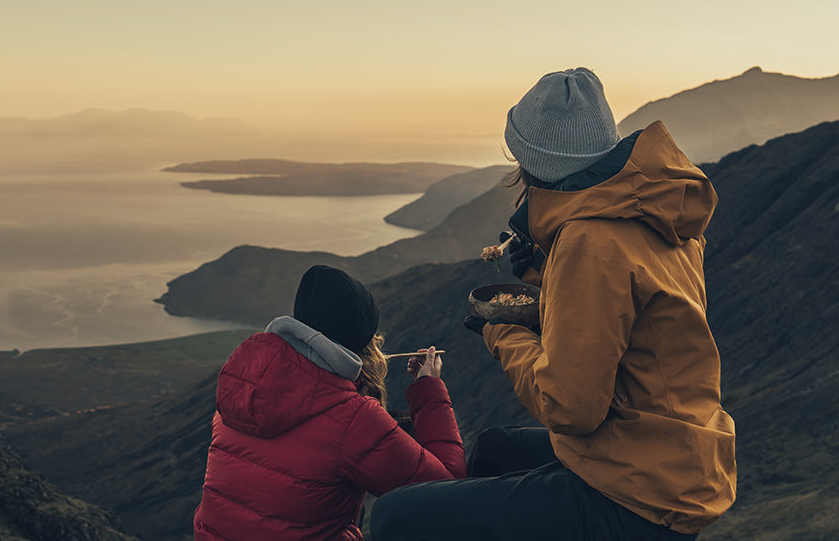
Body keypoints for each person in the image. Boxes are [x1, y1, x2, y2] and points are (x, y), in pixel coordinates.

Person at [371, 68, 737, 540]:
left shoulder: (590, 239)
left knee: (396, 517)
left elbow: (570, 408)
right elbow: (628, 313)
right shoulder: (656, 209)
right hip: (679, 454)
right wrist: (542, 273)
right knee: (493, 451)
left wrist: (501, 332)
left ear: (533, 162)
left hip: (640, 493)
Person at [193, 264, 464, 541]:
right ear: (362, 340)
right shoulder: (355, 418)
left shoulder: (244, 388)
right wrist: (428, 387)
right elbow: (448, 494)